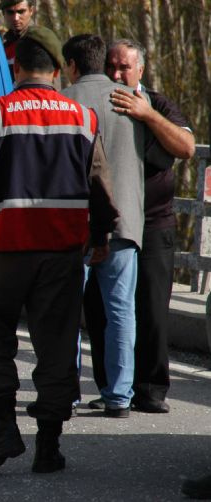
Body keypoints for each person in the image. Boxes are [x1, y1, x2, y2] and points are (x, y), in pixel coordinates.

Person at [0, 26, 118, 473]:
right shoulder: (83, 118)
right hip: (61, 251)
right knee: (57, 343)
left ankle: (3, 429)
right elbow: (101, 186)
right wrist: (101, 237)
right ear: (57, 69)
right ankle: (49, 445)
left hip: (4, 246)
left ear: (17, 66)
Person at [105, 38, 195, 413]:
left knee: (153, 309)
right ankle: (113, 387)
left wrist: (148, 115)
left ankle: (151, 388)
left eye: (125, 67)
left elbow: (187, 147)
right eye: (112, 66)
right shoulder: (102, 101)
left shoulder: (158, 104)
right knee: (106, 310)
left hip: (155, 221)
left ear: (140, 70)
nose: (117, 74)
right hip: (113, 222)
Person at [62, 34, 148, 418]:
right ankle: (119, 396)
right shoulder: (132, 102)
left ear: (72, 65)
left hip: (74, 223)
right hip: (124, 221)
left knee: (65, 311)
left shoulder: (64, 101)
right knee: (120, 311)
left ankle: (66, 391)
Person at [0, 0, 35, 82]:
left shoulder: (42, 43)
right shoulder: (3, 47)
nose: (16, 18)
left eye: (21, 11)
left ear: (31, 11)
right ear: (3, 14)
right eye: (10, 12)